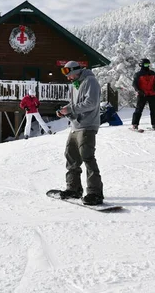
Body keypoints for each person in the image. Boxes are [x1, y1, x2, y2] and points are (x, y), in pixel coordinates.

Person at [55, 60, 104, 205]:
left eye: (68, 73)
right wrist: (65, 110)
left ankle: (95, 193)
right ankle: (73, 188)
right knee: (71, 156)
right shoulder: (76, 84)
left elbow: (91, 103)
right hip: (76, 126)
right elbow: (75, 104)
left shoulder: (90, 81)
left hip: (88, 126)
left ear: (76, 70)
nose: (67, 77)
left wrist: (70, 109)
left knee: (87, 157)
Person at [131, 58, 155, 130]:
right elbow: (134, 84)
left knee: (154, 110)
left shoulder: (152, 73)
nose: (147, 66)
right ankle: (135, 124)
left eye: (148, 64)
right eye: (145, 64)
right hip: (142, 95)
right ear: (141, 65)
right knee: (139, 110)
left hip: (151, 94)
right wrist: (139, 91)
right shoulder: (138, 74)